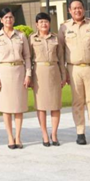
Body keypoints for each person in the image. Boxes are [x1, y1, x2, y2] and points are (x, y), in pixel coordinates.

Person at [62, 0, 90, 145]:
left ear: (84, 9)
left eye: (79, 8)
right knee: (77, 102)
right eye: (74, 8)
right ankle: (80, 132)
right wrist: (64, 72)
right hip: (73, 69)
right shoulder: (64, 27)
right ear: (69, 11)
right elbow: (61, 50)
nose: (77, 10)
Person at [0, 8, 31, 149]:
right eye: (6, 17)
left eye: (11, 17)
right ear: (1, 20)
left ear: (14, 19)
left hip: (19, 72)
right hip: (4, 73)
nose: (8, 20)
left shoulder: (20, 36)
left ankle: (18, 137)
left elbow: (27, 56)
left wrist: (28, 74)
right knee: (6, 108)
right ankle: (10, 137)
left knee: (19, 107)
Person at [30, 12, 66, 147]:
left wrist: (63, 75)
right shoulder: (32, 39)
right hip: (38, 74)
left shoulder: (56, 39)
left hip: (54, 72)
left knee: (55, 105)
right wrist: (30, 77)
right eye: (41, 22)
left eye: (46, 22)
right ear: (36, 25)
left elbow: (61, 59)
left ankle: (54, 134)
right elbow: (28, 59)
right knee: (41, 106)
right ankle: (44, 134)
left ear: (49, 23)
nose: (44, 24)